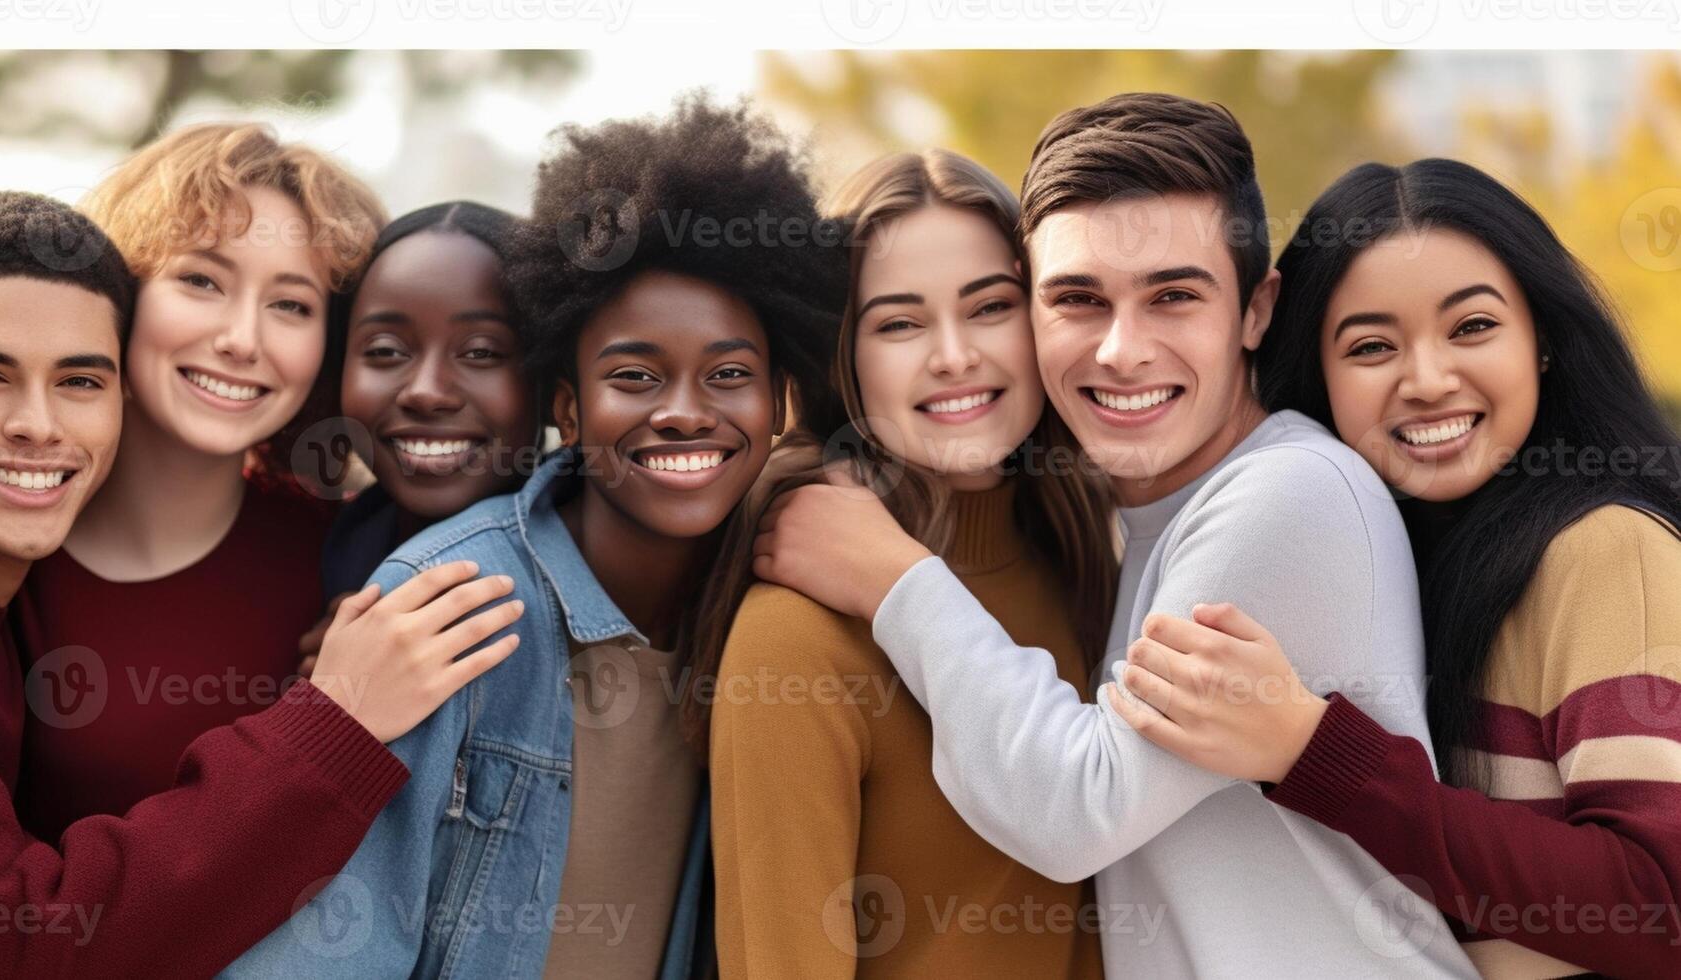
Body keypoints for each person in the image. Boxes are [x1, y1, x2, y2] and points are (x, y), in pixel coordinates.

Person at [752, 93, 1477, 976]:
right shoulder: (1132, 529)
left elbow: (1075, 812)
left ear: (1255, 310)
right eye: (1078, 299)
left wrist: (895, 579)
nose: (1119, 351)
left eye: (1172, 295)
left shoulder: (1288, 495)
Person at [226, 93, 845, 979]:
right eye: (634, 375)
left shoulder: (759, 607)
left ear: (777, 398)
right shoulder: (449, 605)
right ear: (567, 404)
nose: (680, 412)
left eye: (729, 374)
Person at [1112, 158, 1681, 979]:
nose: (1426, 380)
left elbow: (1657, 906)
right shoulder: (1388, 555)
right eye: (1371, 345)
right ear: (1319, 373)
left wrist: (1311, 750)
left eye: (1472, 327)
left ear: (1543, 341)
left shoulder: (1603, 547)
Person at [0, 191, 515, 977]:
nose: (37, 425)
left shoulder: (348, 551)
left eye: (77, 382)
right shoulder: (11, 580)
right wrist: (333, 721)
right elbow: (13, 942)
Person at [697, 148, 1113, 978]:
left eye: (989, 307)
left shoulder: (1087, 570)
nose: (953, 356)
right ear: (842, 358)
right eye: (899, 323)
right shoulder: (795, 636)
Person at [9, 122, 453, 840]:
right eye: (201, 280)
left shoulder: (356, 572)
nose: (242, 339)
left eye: (290, 305)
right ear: (120, 289)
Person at [296, 201, 537, 675]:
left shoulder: (593, 567)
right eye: (385, 350)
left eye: (482, 352)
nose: (426, 392)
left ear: (552, 384)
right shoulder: (333, 542)